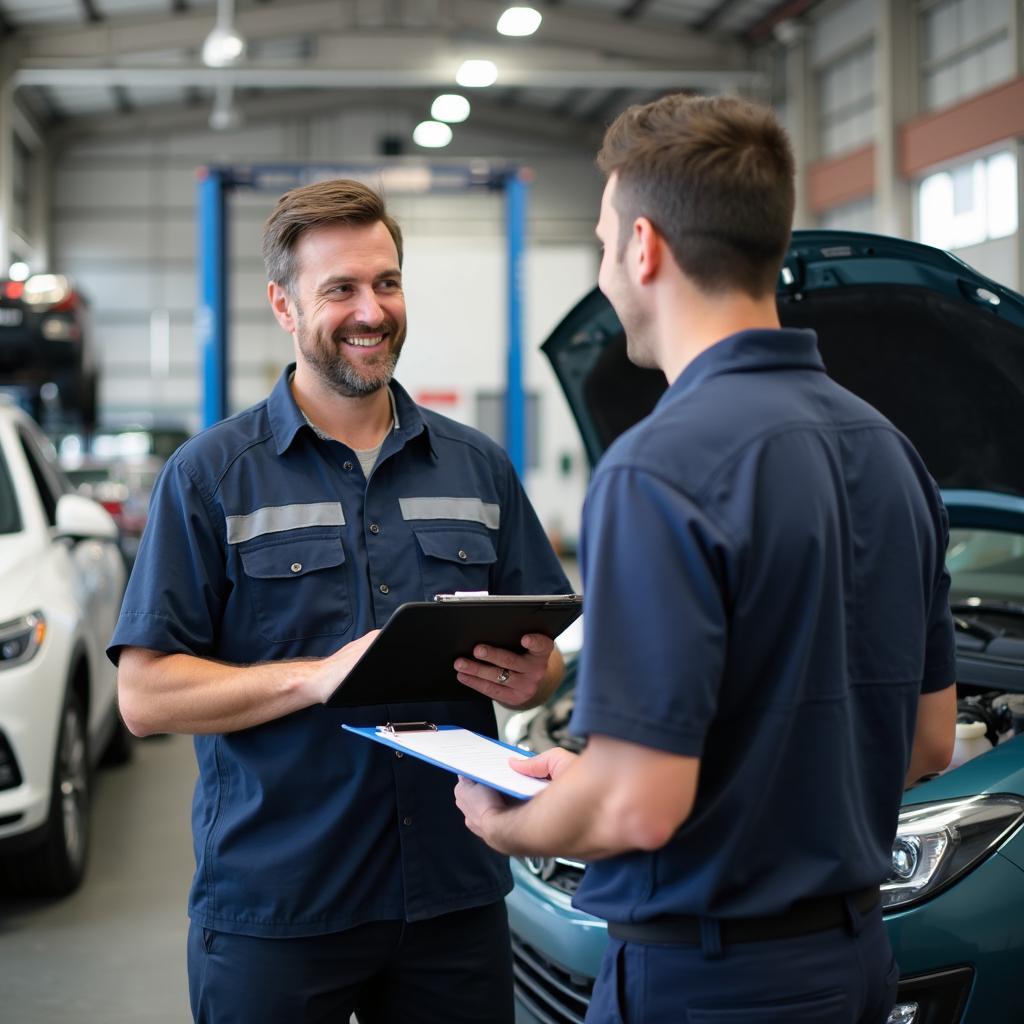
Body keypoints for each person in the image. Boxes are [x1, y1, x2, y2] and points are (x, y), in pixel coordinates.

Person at [455, 93, 957, 1023]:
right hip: (855, 967)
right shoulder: (893, 453)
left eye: (604, 246)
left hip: (710, 985)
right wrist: (609, 779)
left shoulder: (659, 467)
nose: (607, 272)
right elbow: (926, 742)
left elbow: (641, 810)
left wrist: (511, 825)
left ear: (644, 248)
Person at [109, 178, 570, 1024]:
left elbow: (537, 667)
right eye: (342, 289)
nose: (373, 309)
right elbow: (143, 697)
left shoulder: (479, 470)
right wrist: (315, 678)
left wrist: (529, 678)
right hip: (280, 905)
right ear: (284, 306)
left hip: (453, 894)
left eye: (387, 282)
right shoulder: (212, 477)